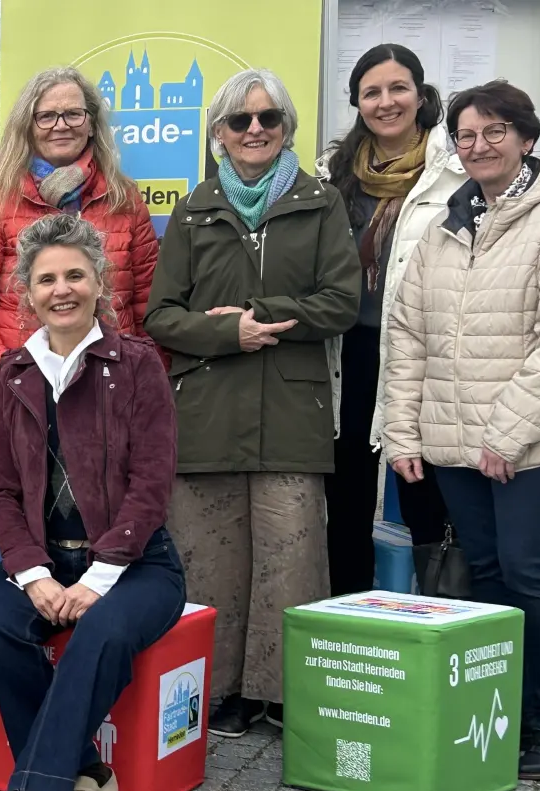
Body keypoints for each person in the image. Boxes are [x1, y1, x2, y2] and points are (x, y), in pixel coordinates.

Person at [0, 214, 183, 791]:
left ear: (99, 282)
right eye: (46, 279)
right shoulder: (12, 373)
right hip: (44, 561)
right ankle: (89, 769)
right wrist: (32, 576)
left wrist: (96, 581)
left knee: (100, 636)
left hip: (137, 563)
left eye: (74, 275)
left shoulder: (138, 364)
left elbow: (152, 486)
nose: (61, 290)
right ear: (27, 293)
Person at [382, 80, 540, 780]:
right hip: (450, 440)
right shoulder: (446, 222)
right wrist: (401, 433)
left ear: (526, 138)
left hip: (526, 441)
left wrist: (507, 434)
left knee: (531, 573)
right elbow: (407, 335)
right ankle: (508, 712)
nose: (479, 146)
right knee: (490, 574)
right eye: (465, 136)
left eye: (494, 131)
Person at [144, 68, 359, 738]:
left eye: (269, 118)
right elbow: (161, 315)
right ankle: (217, 688)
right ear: (219, 134)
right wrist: (226, 332)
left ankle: (281, 693)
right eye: (241, 121)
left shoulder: (319, 202)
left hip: (293, 413)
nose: (256, 130)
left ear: (288, 128)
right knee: (209, 558)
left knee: (291, 560)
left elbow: (342, 301)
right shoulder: (193, 208)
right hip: (207, 408)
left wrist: (261, 314)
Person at [318, 45, 463, 593]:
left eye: (398, 88)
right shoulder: (334, 176)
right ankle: (351, 625)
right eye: (371, 92)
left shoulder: (455, 173)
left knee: (426, 489)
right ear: (356, 103)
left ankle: (439, 623)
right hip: (349, 354)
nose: (386, 102)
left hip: (424, 356)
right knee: (348, 494)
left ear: (421, 95)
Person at [0, 66, 160, 393]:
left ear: (90, 124)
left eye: (73, 114)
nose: (61, 125)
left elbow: (148, 302)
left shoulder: (124, 199)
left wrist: (147, 380)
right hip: (23, 388)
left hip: (113, 387)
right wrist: (5, 383)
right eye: (46, 116)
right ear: (28, 127)